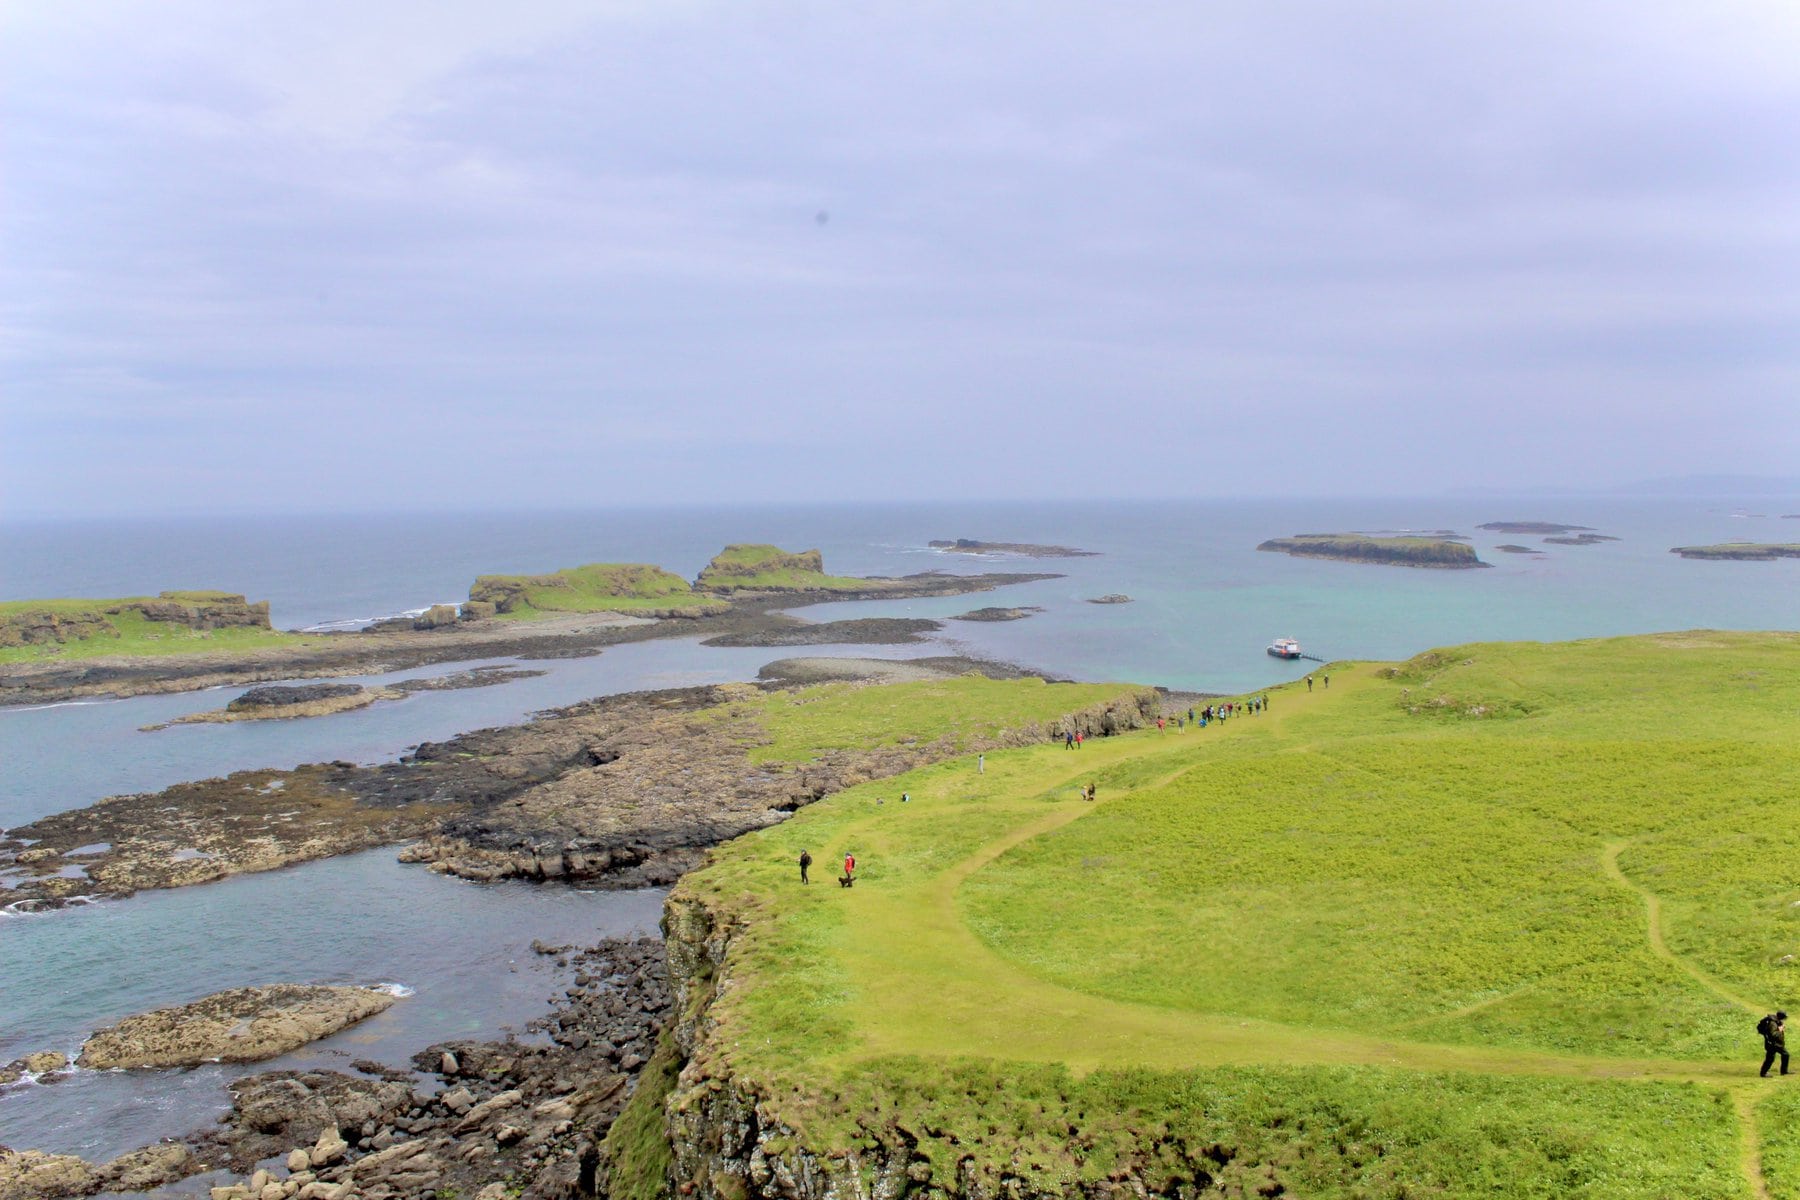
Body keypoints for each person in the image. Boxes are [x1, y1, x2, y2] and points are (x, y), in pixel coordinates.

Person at [1762, 1011, 1789, 1077]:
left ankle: (1784, 1071)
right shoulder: (1773, 1023)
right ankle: (1763, 1073)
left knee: (1772, 1058)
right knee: (1771, 1058)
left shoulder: (1776, 1021)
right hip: (1773, 1044)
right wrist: (1780, 1030)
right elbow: (1772, 1034)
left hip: (1775, 1044)